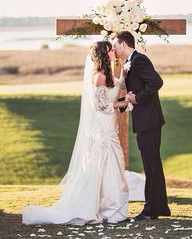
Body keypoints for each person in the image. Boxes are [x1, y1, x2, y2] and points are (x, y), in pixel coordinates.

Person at [22, 41, 131, 226]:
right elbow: (101, 106)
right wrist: (125, 102)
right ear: (103, 55)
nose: (113, 51)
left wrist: (125, 74)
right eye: (110, 50)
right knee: (109, 162)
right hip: (103, 126)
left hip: (110, 124)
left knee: (112, 164)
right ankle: (105, 209)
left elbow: (116, 87)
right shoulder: (99, 76)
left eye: (113, 49)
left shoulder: (108, 73)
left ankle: (110, 207)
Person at [113, 31, 171, 220]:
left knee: (151, 165)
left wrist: (137, 98)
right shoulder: (129, 62)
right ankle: (161, 206)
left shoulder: (139, 60)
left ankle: (150, 210)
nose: (114, 48)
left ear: (123, 44)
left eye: (115, 45)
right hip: (146, 120)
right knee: (153, 164)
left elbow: (156, 82)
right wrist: (125, 101)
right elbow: (135, 90)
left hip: (149, 121)